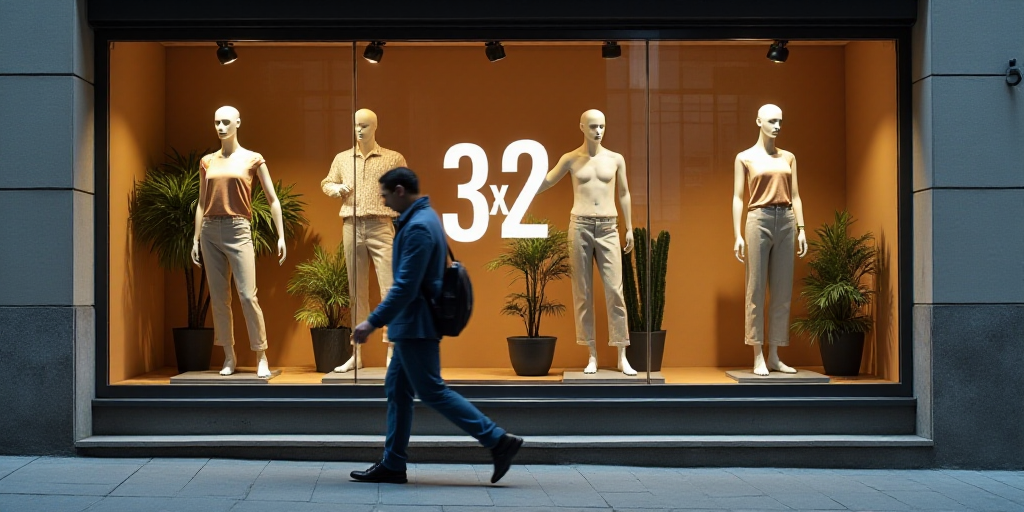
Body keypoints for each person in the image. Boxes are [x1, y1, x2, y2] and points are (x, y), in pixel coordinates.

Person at [349, 167, 523, 485]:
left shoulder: (417, 227)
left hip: (416, 325)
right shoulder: (424, 218)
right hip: (412, 325)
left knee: (432, 391)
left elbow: (405, 287)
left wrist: (372, 322)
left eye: (386, 196)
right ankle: (393, 464)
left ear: (400, 190)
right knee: (398, 392)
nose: (386, 203)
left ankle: (498, 440)